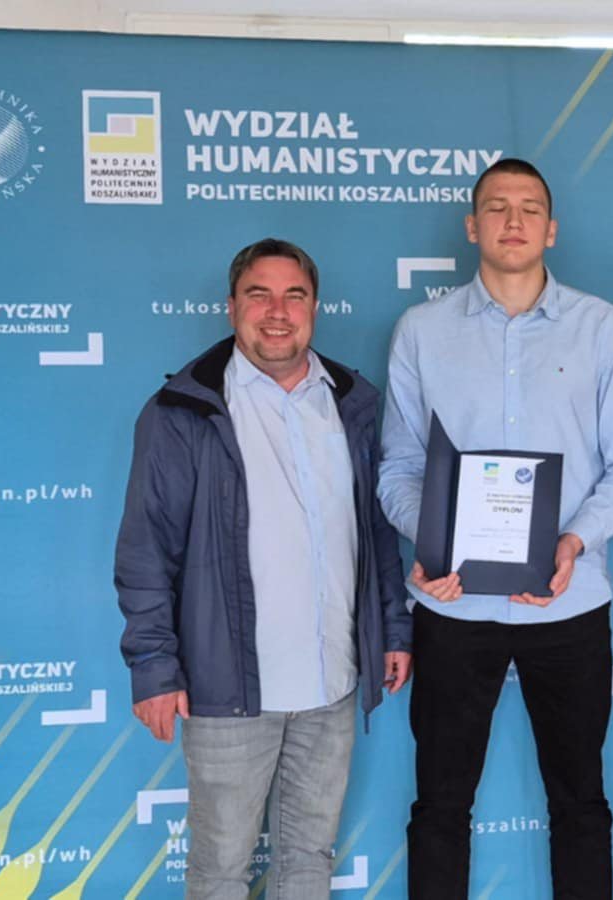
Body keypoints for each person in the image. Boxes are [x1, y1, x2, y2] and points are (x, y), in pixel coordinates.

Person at [376, 158, 613, 899]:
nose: (514, 220)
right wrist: (431, 542)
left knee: (581, 804)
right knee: (439, 807)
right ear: (473, 226)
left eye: (530, 207)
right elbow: (398, 468)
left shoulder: (600, 327)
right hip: (453, 604)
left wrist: (572, 543)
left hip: (569, 601)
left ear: (551, 230)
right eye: (497, 207)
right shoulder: (422, 330)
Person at [115, 238, 413, 900]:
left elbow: (374, 532)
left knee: (309, 859)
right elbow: (145, 550)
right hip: (227, 691)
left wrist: (394, 628)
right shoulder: (181, 412)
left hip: (332, 684)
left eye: (294, 296)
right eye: (259, 295)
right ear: (231, 308)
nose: (277, 312)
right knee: (221, 868)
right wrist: (155, 667)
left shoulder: (350, 402)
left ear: (315, 308)